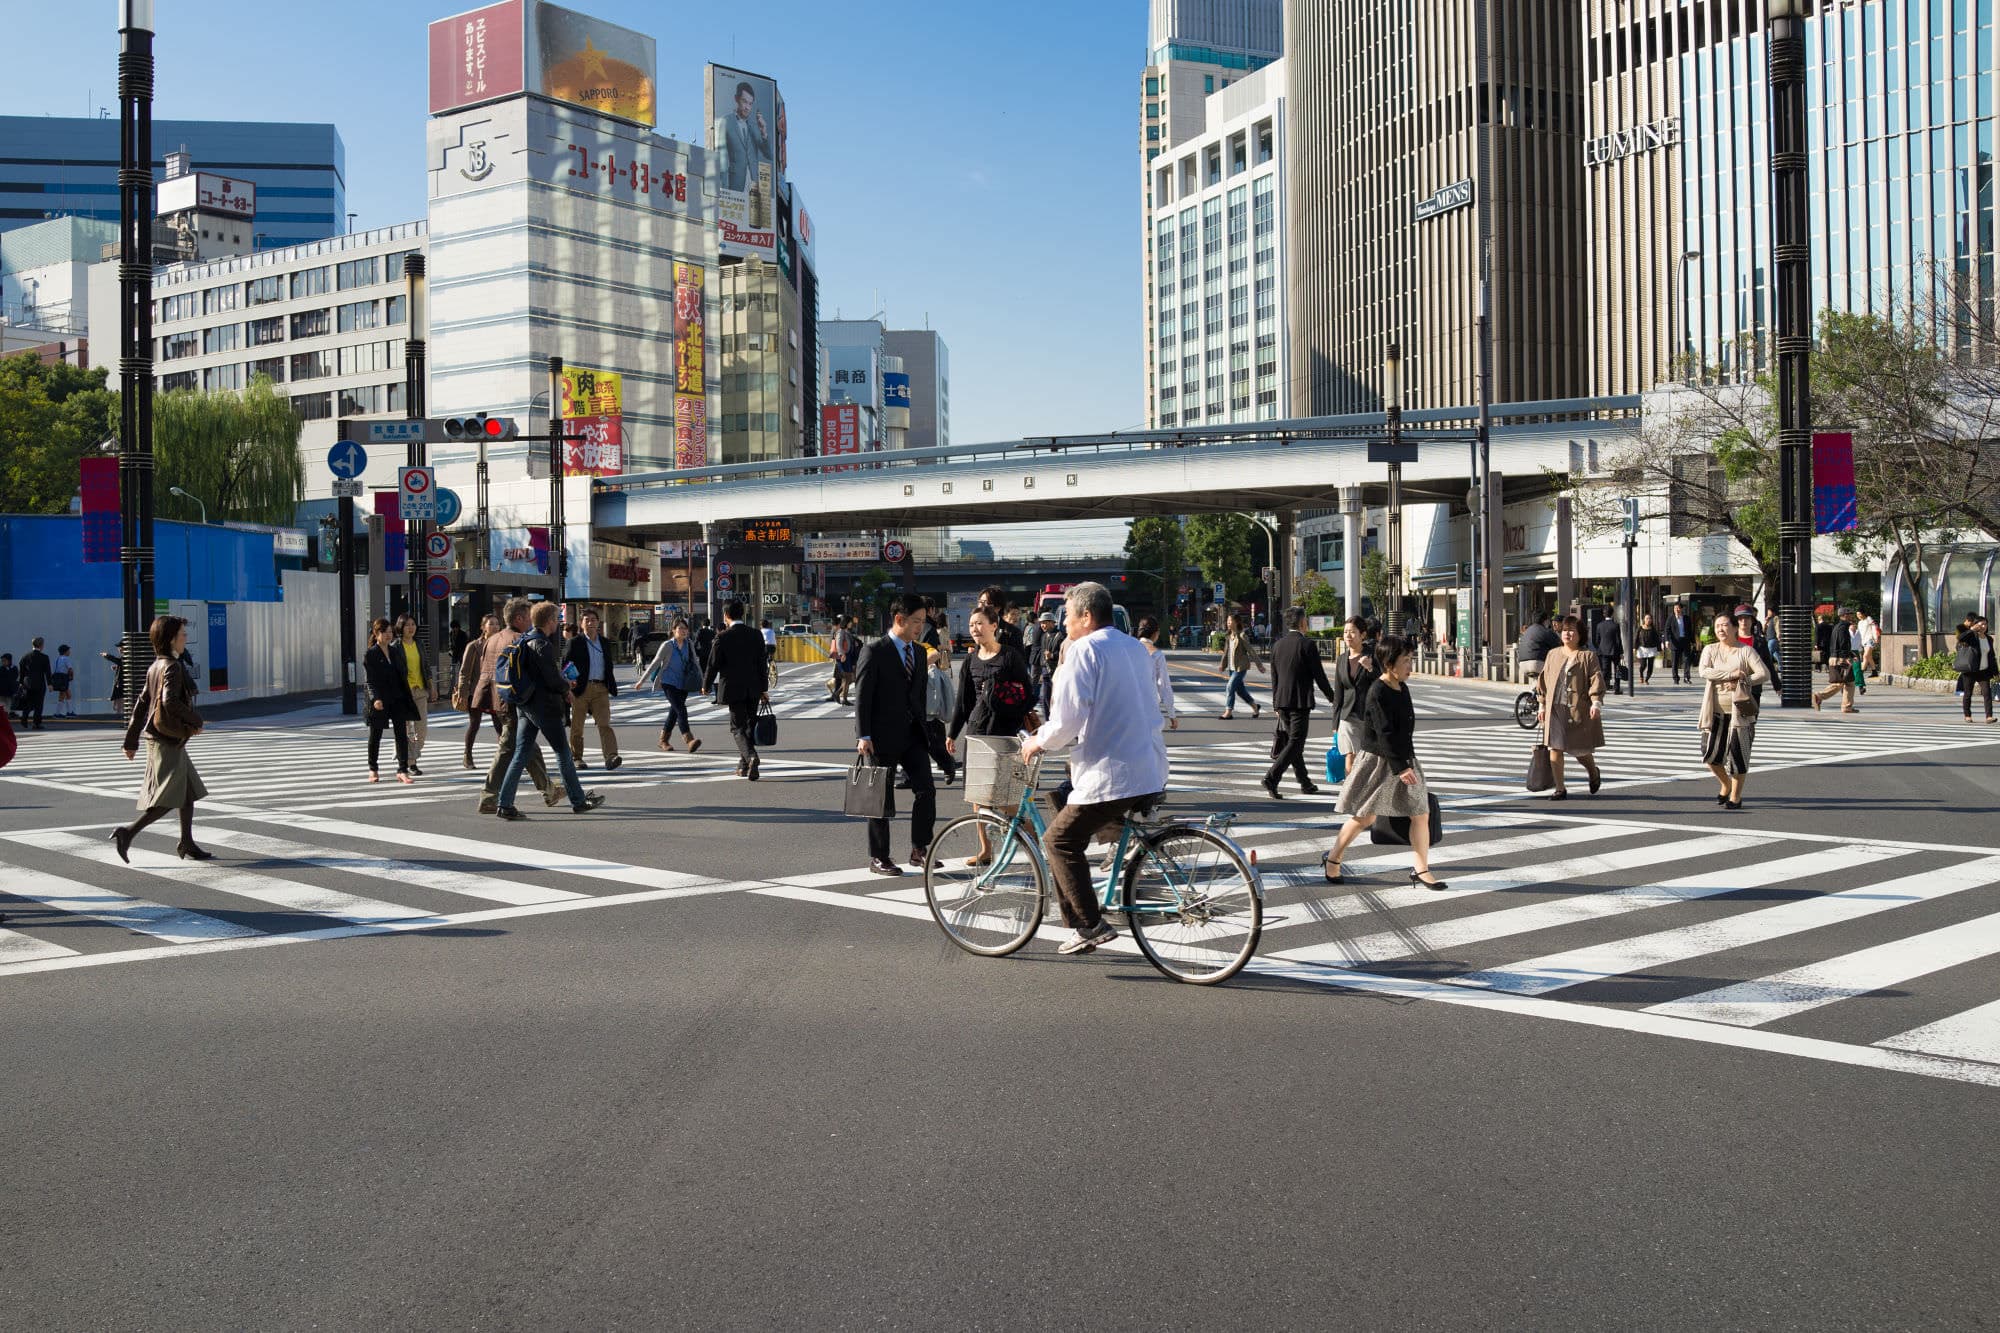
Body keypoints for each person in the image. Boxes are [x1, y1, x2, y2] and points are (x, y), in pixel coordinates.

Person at [1020, 583, 1171, 954]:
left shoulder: (1085, 650)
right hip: (1148, 765)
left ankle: (1089, 925)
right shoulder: (1135, 647)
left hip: (1112, 773)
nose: (1065, 625)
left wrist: (1036, 741)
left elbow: (1067, 720)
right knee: (1063, 805)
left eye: (1068, 616)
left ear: (1086, 617)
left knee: (1057, 841)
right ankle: (1078, 917)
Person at [1320, 634, 1445, 888]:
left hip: (1403, 760)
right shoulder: (1378, 691)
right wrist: (1401, 768)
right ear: (1390, 664)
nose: (1411, 666)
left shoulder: (1402, 687)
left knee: (1420, 813)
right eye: (1406, 661)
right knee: (1365, 817)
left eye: (1411, 660)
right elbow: (1384, 733)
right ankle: (1333, 859)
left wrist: (1408, 762)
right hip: (1379, 763)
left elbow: (1404, 730)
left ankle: (1421, 870)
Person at [111, 615, 212, 864]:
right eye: (182, 634)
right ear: (171, 639)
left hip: (160, 737)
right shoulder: (172, 667)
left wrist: (131, 740)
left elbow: (142, 703)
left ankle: (186, 841)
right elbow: (169, 702)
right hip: (167, 739)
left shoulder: (156, 665)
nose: (185, 638)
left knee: (187, 791)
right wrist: (196, 721)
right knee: (170, 795)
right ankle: (128, 832)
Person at [496, 602, 604, 819]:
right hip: (543, 706)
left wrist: (561, 684)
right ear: (550, 621)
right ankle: (578, 800)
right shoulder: (542, 644)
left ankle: (505, 803)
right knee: (563, 753)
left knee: (521, 753)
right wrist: (566, 688)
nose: (558, 622)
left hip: (525, 705)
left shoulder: (525, 639)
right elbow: (550, 677)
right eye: (556, 618)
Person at [855, 593, 937, 877]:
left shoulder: (918, 651)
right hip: (881, 735)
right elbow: (862, 697)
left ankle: (919, 850)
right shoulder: (875, 651)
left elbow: (920, 695)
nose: (920, 627)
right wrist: (863, 734)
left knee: (926, 789)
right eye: (916, 621)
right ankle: (879, 856)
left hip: (913, 733)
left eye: (923, 622)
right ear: (899, 619)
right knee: (881, 797)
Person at [476, 599, 560, 815]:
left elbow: (485, 670)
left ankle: (548, 790)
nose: (532, 622)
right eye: (529, 617)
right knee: (510, 749)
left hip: (496, 699)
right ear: (519, 618)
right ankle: (490, 796)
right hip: (515, 701)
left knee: (527, 747)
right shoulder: (519, 640)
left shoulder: (492, 639)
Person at [1699, 611, 1771, 809]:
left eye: (1724, 625)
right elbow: (1704, 671)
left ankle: (1736, 797)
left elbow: (1763, 673)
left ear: (1733, 627)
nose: (1720, 629)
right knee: (1709, 753)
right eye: (1717, 626)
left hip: (1740, 710)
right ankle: (1726, 784)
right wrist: (1731, 674)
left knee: (1738, 755)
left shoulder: (1745, 651)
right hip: (1715, 710)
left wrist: (1743, 679)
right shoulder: (1710, 650)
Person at [1262, 606, 1336, 799]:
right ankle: (1271, 777)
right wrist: (1333, 698)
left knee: (1293, 743)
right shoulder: (1307, 645)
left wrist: (1275, 703)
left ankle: (1305, 782)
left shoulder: (1277, 645)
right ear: (1302, 622)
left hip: (1282, 701)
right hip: (1300, 702)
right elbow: (1319, 677)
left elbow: (1274, 677)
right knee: (1295, 743)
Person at [1535, 614, 1606, 800]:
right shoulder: (1553, 654)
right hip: (1555, 708)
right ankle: (1560, 788)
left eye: (1572, 630)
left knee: (1579, 750)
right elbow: (1543, 681)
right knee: (1555, 748)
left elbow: (1596, 679)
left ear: (1580, 634)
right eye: (1565, 630)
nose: (1567, 634)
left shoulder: (1587, 656)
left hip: (1577, 709)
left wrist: (1596, 702)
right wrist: (1542, 706)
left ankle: (1593, 772)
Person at [702, 599, 771, 779]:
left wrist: (706, 685)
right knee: (749, 725)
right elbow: (762, 664)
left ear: (726, 616)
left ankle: (751, 757)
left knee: (737, 727)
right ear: (743, 614)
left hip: (733, 688)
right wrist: (764, 688)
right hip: (754, 687)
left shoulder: (722, 637)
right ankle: (744, 764)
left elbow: (713, 664)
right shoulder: (756, 635)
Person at [563, 608, 623, 771]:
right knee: (577, 726)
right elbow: (566, 665)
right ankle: (577, 758)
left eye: (593, 620)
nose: (590, 623)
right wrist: (571, 683)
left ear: (598, 623)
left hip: (601, 688)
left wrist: (610, 684)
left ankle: (611, 756)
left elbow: (608, 665)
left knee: (604, 723)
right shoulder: (574, 642)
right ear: (581, 624)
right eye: (586, 620)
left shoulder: (604, 642)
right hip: (581, 689)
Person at [363, 618, 419, 785]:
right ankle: (373, 768)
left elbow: (402, 673)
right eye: (384, 632)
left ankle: (402, 770)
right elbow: (369, 680)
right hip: (380, 699)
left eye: (390, 632)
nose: (388, 635)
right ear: (376, 634)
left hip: (398, 697)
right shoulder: (371, 654)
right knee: (376, 735)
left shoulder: (395, 651)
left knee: (401, 734)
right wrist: (375, 698)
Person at [638, 617, 706, 751]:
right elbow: (655, 663)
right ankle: (689, 739)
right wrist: (641, 681)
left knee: (674, 712)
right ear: (673, 630)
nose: (683, 631)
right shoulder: (667, 645)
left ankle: (663, 741)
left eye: (685, 628)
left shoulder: (689, 644)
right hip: (668, 683)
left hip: (684, 683)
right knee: (681, 709)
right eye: (680, 628)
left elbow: (696, 663)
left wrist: (703, 683)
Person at [453, 614, 506, 770]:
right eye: (491, 624)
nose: (495, 627)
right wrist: (462, 694)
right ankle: (467, 755)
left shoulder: (502, 645)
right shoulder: (474, 646)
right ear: (483, 627)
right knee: (475, 723)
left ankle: (503, 757)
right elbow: (464, 672)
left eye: (497, 624)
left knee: (500, 725)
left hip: (496, 690)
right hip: (475, 691)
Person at [1329, 616, 1378, 767]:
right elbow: (1338, 694)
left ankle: (1363, 788)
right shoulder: (1342, 659)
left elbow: (1383, 681)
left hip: (1369, 715)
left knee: (1367, 759)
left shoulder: (1373, 655)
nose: (1348, 636)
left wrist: (1370, 668)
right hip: (1347, 715)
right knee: (1350, 754)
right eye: (1345, 632)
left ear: (1362, 635)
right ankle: (1350, 789)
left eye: (1352, 632)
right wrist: (1335, 723)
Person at [393, 615, 436, 774]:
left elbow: (425, 666)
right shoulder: (396, 646)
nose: (411, 628)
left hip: (420, 690)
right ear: (400, 627)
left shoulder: (419, 644)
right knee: (407, 729)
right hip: (405, 692)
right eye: (407, 625)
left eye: (413, 624)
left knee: (421, 730)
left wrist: (431, 687)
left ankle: (405, 754)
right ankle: (411, 762)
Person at [721, 78, 771, 193]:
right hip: (734, 185)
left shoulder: (754, 126)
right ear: (736, 99)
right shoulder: (726, 122)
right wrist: (724, 190)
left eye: (750, 103)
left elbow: (769, 155)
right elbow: (721, 158)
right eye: (744, 101)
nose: (747, 107)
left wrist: (763, 131)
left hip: (754, 185)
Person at [1812, 607, 1862, 713]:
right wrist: (1848, 657)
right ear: (1843, 615)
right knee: (1840, 683)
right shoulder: (1843, 628)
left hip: (1835, 657)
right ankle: (1819, 696)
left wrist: (1851, 654)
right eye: (1849, 614)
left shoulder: (1836, 627)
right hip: (1840, 659)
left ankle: (1846, 706)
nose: (1851, 616)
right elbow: (1843, 644)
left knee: (1848, 682)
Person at [1135, 615, 1179, 732]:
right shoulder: (1157, 654)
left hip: (1128, 704)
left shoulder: (1129, 648)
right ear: (1155, 633)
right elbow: (1164, 685)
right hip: (1149, 704)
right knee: (1152, 745)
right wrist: (1172, 714)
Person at [1217, 613, 1263, 720]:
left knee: (1230, 687)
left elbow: (1251, 650)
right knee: (1240, 691)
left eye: (1230, 621)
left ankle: (1228, 711)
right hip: (1232, 668)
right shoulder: (1229, 636)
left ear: (1236, 622)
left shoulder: (1242, 636)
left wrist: (1259, 665)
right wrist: (1223, 665)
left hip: (1241, 667)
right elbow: (1226, 653)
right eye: (1227, 621)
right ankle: (1255, 707)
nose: (1228, 623)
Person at [923, 644, 957, 786]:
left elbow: (935, 654)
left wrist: (916, 665)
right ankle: (908, 777)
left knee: (932, 743)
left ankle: (948, 764)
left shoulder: (919, 645)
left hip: (925, 702)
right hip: (904, 703)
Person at [1955, 613, 1996, 724]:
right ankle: (1967, 715)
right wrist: (1971, 629)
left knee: (1987, 693)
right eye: (1981, 624)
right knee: (1968, 693)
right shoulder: (1972, 636)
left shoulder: (1989, 639)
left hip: (1984, 670)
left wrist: (1996, 672)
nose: (1983, 626)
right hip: (1970, 670)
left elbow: (1991, 656)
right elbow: (1960, 637)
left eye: (1985, 624)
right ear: (1975, 624)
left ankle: (1989, 716)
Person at [1515, 611, 1560, 684]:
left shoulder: (1526, 632)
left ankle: (1535, 692)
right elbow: (1559, 647)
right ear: (1546, 621)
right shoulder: (1546, 632)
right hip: (1538, 664)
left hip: (1522, 665)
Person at [1031, 610, 1061, 713]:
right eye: (1041, 623)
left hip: (1056, 672)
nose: (1042, 625)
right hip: (1045, 671)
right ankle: (1048, 722)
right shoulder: (1044, 636)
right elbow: (1043, 653)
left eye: (1044, 622)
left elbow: (1064, 654)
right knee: (1045, 699)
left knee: (1056, 698)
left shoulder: (1060, 636)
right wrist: (1040, 670)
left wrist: (1052, 655)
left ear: (1052, 623)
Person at [17, 637, 51, 730]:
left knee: (29, 702)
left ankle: (24, 717)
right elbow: (47, 672)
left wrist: (20, 683)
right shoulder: (44, 657)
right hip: (39, 683)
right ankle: (36, 723)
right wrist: (50, 684)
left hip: (27, 683)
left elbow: (22, 671)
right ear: (41, 645)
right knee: (39, 704)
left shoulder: (25, 656)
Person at [1591, 613, 1626, 695]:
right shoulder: (1616, 625)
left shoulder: (1599, 625)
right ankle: (1617, 689)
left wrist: (1599, 648)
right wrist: (1621, 652)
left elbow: (1597, 640)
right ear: (1612, 614)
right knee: (1617, 670)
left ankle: (1600, 688)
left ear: (1603, 614)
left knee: (1604, 671)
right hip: (1615, 651)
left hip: (1603, 651)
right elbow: (1618, 640)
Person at [1664, 603, 1697, 684]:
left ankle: (1686, 677)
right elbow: (1667, 630)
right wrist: (1667, 640)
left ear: (1681, 609)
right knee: (1675, 661)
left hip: (1685, 642)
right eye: (1675, 608)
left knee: (1687, 660)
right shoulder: (1671, 618)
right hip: (1675, 642)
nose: (1677, 610)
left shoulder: (1686, 618)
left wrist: (1693, 642)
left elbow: (1690, 631)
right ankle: (1676, 678)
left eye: (1678, 608)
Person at [1634, 614, 1661, 685]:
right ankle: (1641, 674)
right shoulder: (1640, 628)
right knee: (1643, 665)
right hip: (1642, 649)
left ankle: (1646, 679)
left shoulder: (1653, 629)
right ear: (1644, 620)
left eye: (1650, 618)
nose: (1648, 620)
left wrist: (1659, 649)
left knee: (1650, 666)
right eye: (1647, 618)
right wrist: (1634, 648)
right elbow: (1636, 638)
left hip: (1651, 649)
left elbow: (1657, 640)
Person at [1857, 610, 1882, 678]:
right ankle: (1874, 671)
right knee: (1869, 657)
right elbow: (1859, 633)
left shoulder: (1868, 619)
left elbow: (1874, 628)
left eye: (1859, 614)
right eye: (1857, 614)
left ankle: (1861, 672)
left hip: (1870, 639)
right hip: (1864, 641)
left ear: (1863, 613)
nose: (1858, 616)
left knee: (1865, 656)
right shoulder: (1859, 622)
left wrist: (1876, 637)